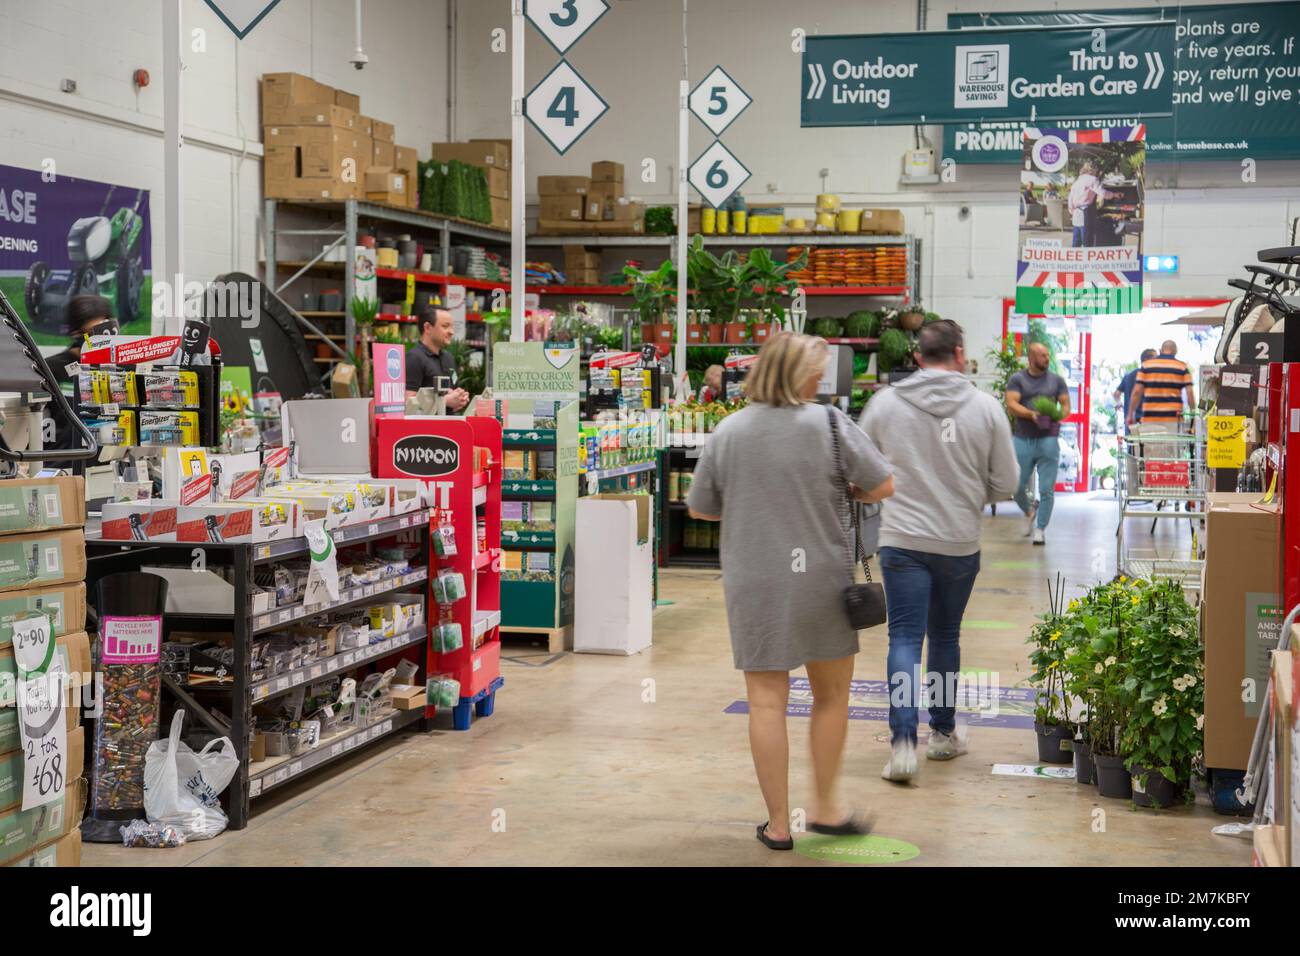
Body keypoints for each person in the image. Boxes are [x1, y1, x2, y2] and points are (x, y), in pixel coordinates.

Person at [686, 332, 893, 850]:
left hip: (754, 578)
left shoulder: (728, 430)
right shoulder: (828, 423)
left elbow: (700, 507)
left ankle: (779, 825)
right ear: (796, 374)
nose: (821, 379)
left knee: (766, 702)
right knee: (831, 696)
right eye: (816, 370)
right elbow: (883, 484)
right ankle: (825, 806)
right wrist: (845, 489)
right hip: (821, 576)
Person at [860, 321, 1019, 781]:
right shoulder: (986, 408)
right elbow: (1006, 483)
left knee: (904, 639)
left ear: (917, 357)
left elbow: (862, 465)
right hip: (958, 543)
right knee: (945, 637)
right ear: (960, 354)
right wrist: (969, 496)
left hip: (902, 541)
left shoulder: (884, 404)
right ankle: (943, 736)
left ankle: (903, 747)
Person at [1005, 342, 1070, 545]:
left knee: (1047, 488)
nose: (1047, 359)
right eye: (1042, 356)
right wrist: (1030, 414)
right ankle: (1029, 510)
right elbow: (1012, 404)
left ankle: (1041, 529)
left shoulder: (1056, 380)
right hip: (1023, 438)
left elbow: (1066, 404)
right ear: (1031, 358)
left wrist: (1057, 414)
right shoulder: (1018, 379)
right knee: (1016, 486)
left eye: (1048, 355)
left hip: (1048, 438)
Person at [48, 295, 117, 450]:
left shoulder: (120, 369)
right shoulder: (51, 369)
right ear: (76, 332)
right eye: (92, 333)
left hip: (108, 463)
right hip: (65, 462)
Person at [405, 306, 469, 411]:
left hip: (449, 424)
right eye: (445, 326)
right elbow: (409, 402)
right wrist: (446, 400)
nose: (451, 332)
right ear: (428, 328)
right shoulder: (414, 358)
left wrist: (460, 398)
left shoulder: (449, 359)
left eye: (452, 327)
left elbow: (452, 392)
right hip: (427, 426)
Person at [1129, 340, 1194, 427]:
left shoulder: (1146, 366)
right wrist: (1193, 416)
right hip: (1174, 420)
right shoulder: (1182, 367)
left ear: (1161, 350)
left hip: (1150, 419)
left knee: (1150, 441)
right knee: (1173, 440)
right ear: (1175, 351)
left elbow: (1137, 392)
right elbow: (1189, 393)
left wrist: (1130, 414)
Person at [1067, 160, 1119, 247]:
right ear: (1093, 170)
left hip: (1076, 213)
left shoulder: (1077, 181)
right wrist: (1114, 195)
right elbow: (1103, 193)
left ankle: (1074, 259)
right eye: (1096, 171)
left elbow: (1070, 199)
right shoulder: (1092, 179)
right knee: (1087, 241)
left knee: (1076, 241)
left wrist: (1072, 211)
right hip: (1086, 212)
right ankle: (1087, 260)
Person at [1113, 349, 1156, 433]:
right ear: (1147, 360)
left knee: (1131, 444)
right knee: (1145, 445)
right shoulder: (1148, 376)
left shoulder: (1128, 376)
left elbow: (1116, 394)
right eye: (1155, 358)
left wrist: (1119, 403)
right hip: (1144, 420)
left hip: (1129, 419)